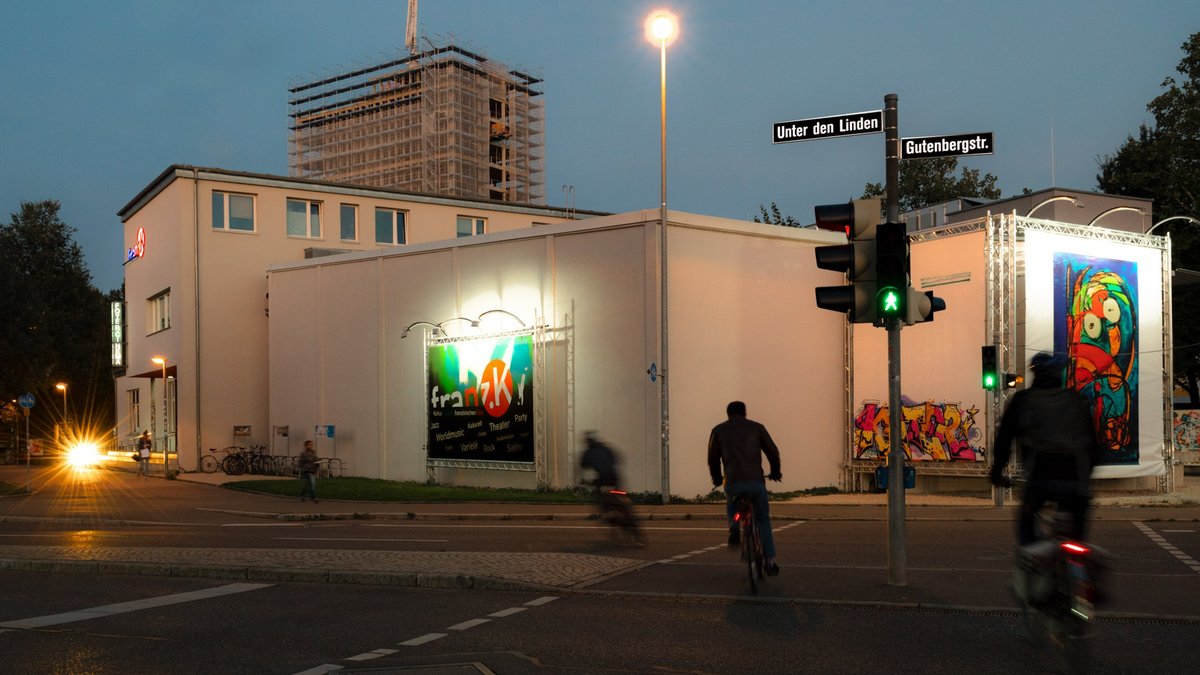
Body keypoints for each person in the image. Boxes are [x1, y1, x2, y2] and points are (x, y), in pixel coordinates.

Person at [990, 352, 1100, 546]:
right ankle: (1081, 565)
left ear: (1036, 375)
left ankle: (1030, 563)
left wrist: (997, 473)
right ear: (1059, 375)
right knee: (1078, 540)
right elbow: (1094, 444)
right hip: (1076, 480)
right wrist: (1087, 478)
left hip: (1040, 479)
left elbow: (1004, 441)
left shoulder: (1023, 401)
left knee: (1027, 524)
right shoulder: (1076, 399)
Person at [708, 400, 782, 575]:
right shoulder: (757, 427)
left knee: (731, 499)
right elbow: (772, 451)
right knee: (763, 520)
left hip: (732, 481)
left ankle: (734, 525)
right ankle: (770, 562)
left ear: (728, 414)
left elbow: (712, 459)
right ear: (745, 413)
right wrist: (775, 472)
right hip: (755, 482)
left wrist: (718, 479)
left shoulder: (718, 430)